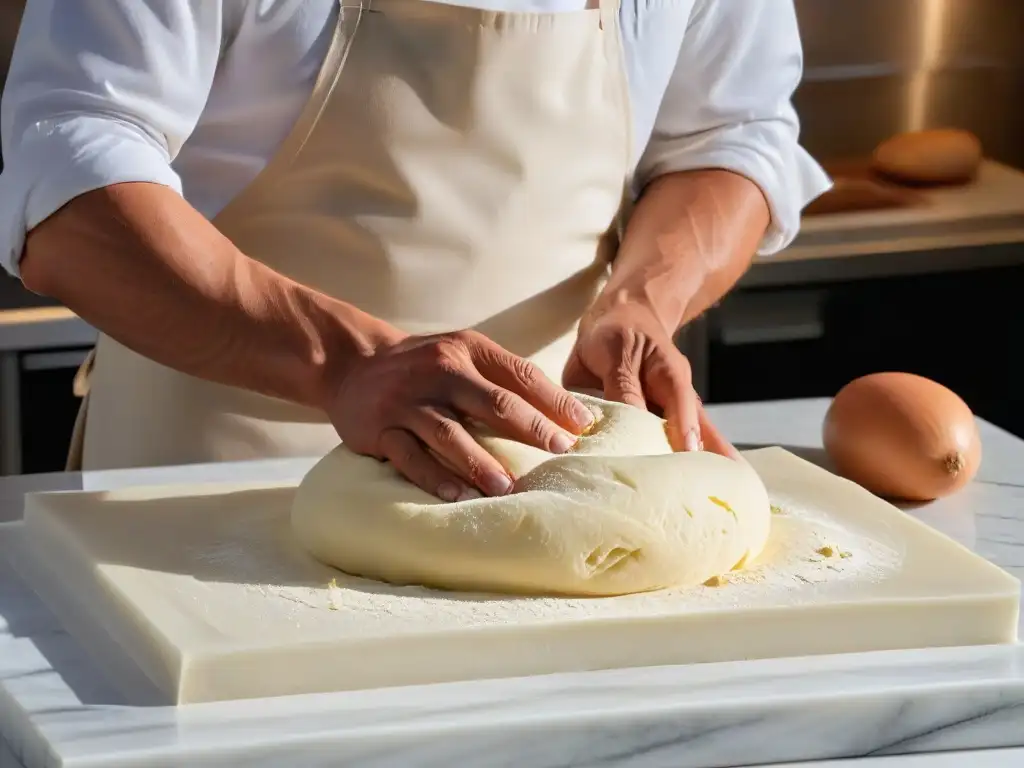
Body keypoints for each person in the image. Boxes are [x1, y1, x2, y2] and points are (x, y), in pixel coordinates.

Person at [0, 0, 828, 501]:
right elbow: (66, 175)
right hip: (204, 494)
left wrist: (644, 301)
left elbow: (729, 135)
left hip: (541, 478)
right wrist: (346, 362)